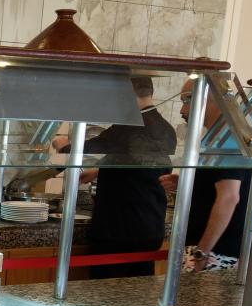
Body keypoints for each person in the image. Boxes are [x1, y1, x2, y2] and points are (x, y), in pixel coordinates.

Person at [51, 76, 177, 279]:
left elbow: (89, 148)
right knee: (139, 290)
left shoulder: (129, 128)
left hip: (120, 229)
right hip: (150, 226)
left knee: (105, 290)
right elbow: (140, 166)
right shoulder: (166, 129)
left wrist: (63, 146)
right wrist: (100, 170)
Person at [158, 81, 252, 273]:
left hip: (215, 254)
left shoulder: (227, 139)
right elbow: (220, 185)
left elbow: (229, 198)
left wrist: (201, 252)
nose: (182, 109)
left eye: (187, 100)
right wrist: (189, 183)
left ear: (210, 98)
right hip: (210, 250)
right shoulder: (219, 137)